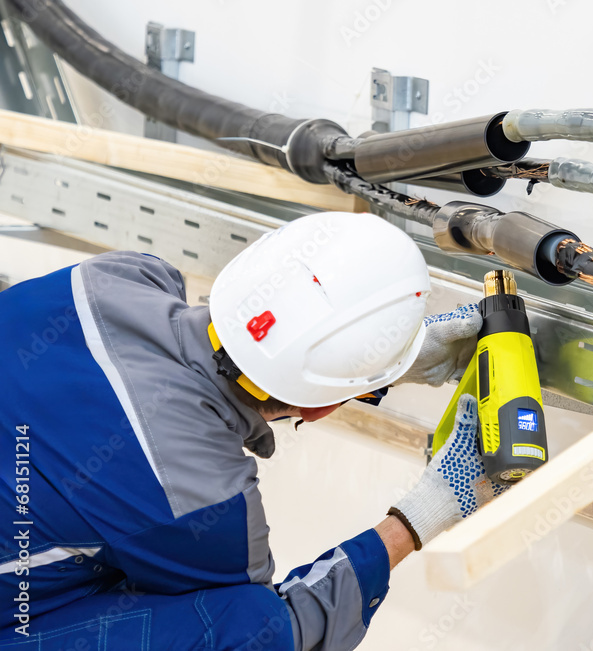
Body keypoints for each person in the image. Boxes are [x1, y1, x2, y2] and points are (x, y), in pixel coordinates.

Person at [0, 211, 507, 650]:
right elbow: (278, 628)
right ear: (315, 412)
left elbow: (197, 358)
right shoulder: (204, 509)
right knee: (247, 627)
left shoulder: (116, 275)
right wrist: (427, 510)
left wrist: (389, 361)